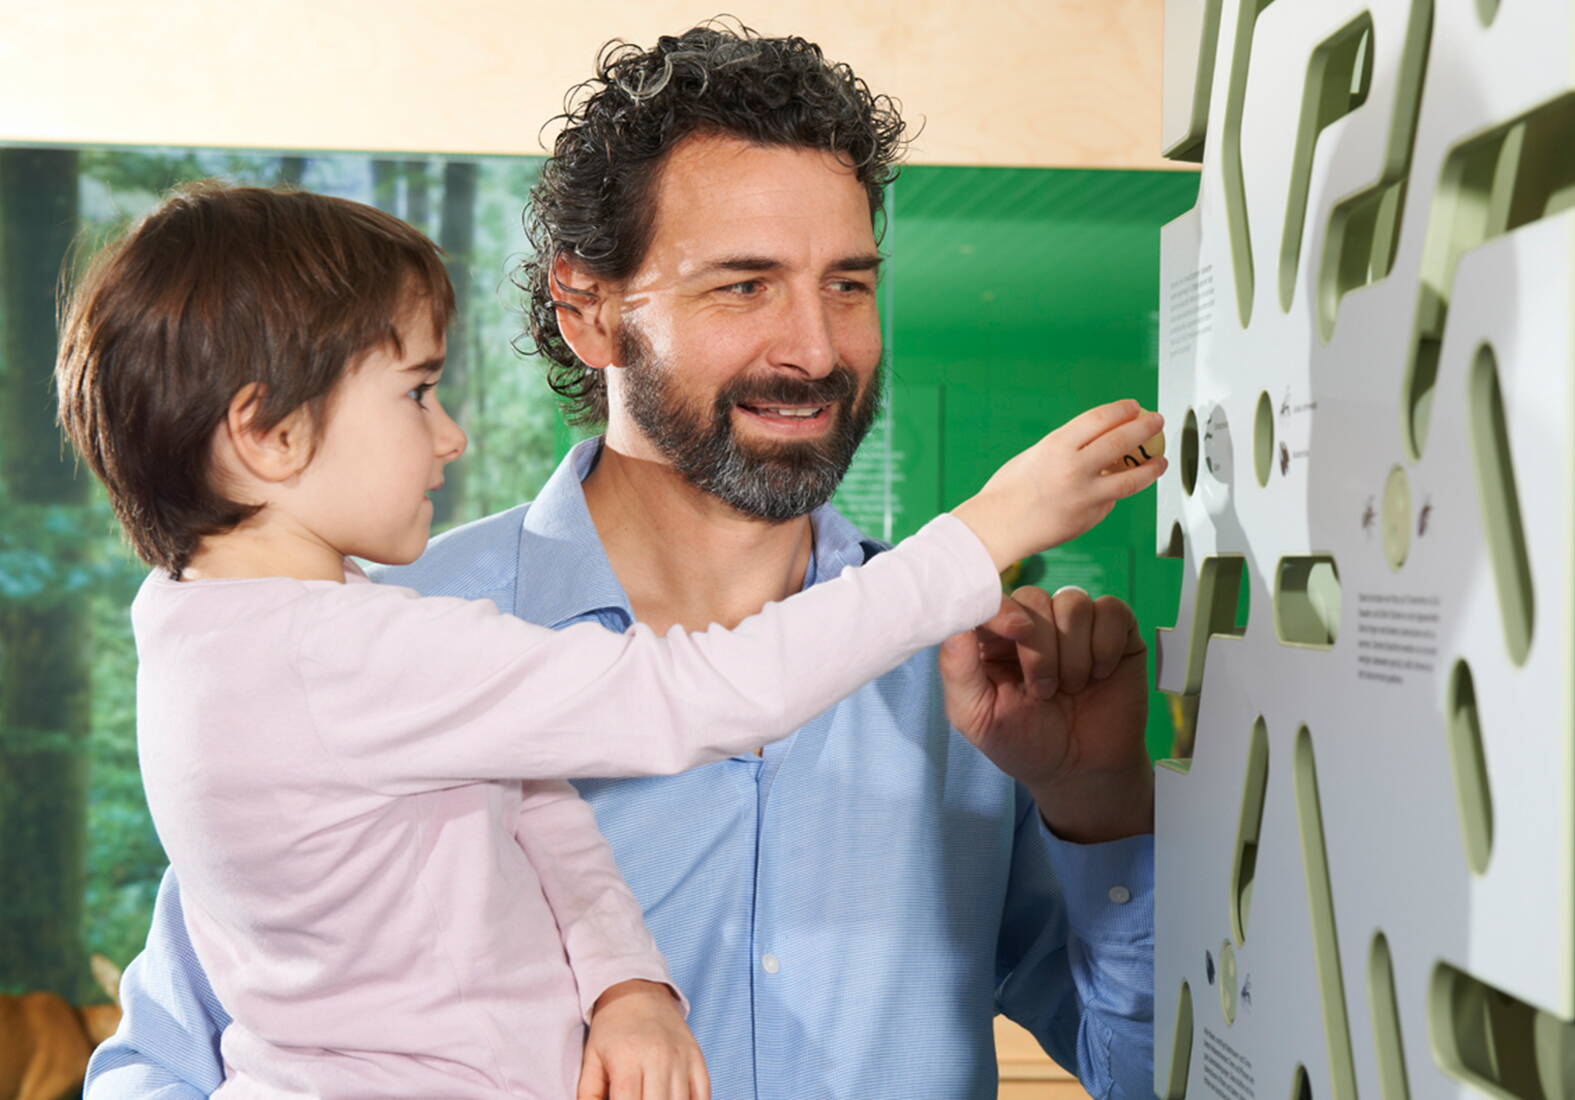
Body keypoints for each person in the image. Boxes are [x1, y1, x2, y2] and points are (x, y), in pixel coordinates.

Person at [87, 22, 1164, 1100]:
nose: (817, 349)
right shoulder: (366, 642)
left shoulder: (980, 678)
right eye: (743, 286)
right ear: (588, 310)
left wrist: (1100, 805)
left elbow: (1155, 1072)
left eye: (846, 283)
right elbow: (161, 1066)